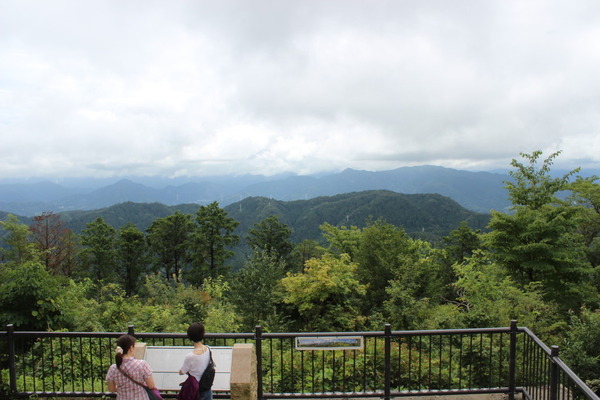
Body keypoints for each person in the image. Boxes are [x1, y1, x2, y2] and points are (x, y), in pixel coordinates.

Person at [106, 334, 156, 400]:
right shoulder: (142, 364)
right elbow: (151, 385)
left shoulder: (113, 368)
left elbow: (111, 389)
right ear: (131, 348)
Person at [179, 322, 213, 400]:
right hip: (206, 386)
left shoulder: (190, 356)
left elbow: (181, 372)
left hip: (195, 389)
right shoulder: (208, 349)